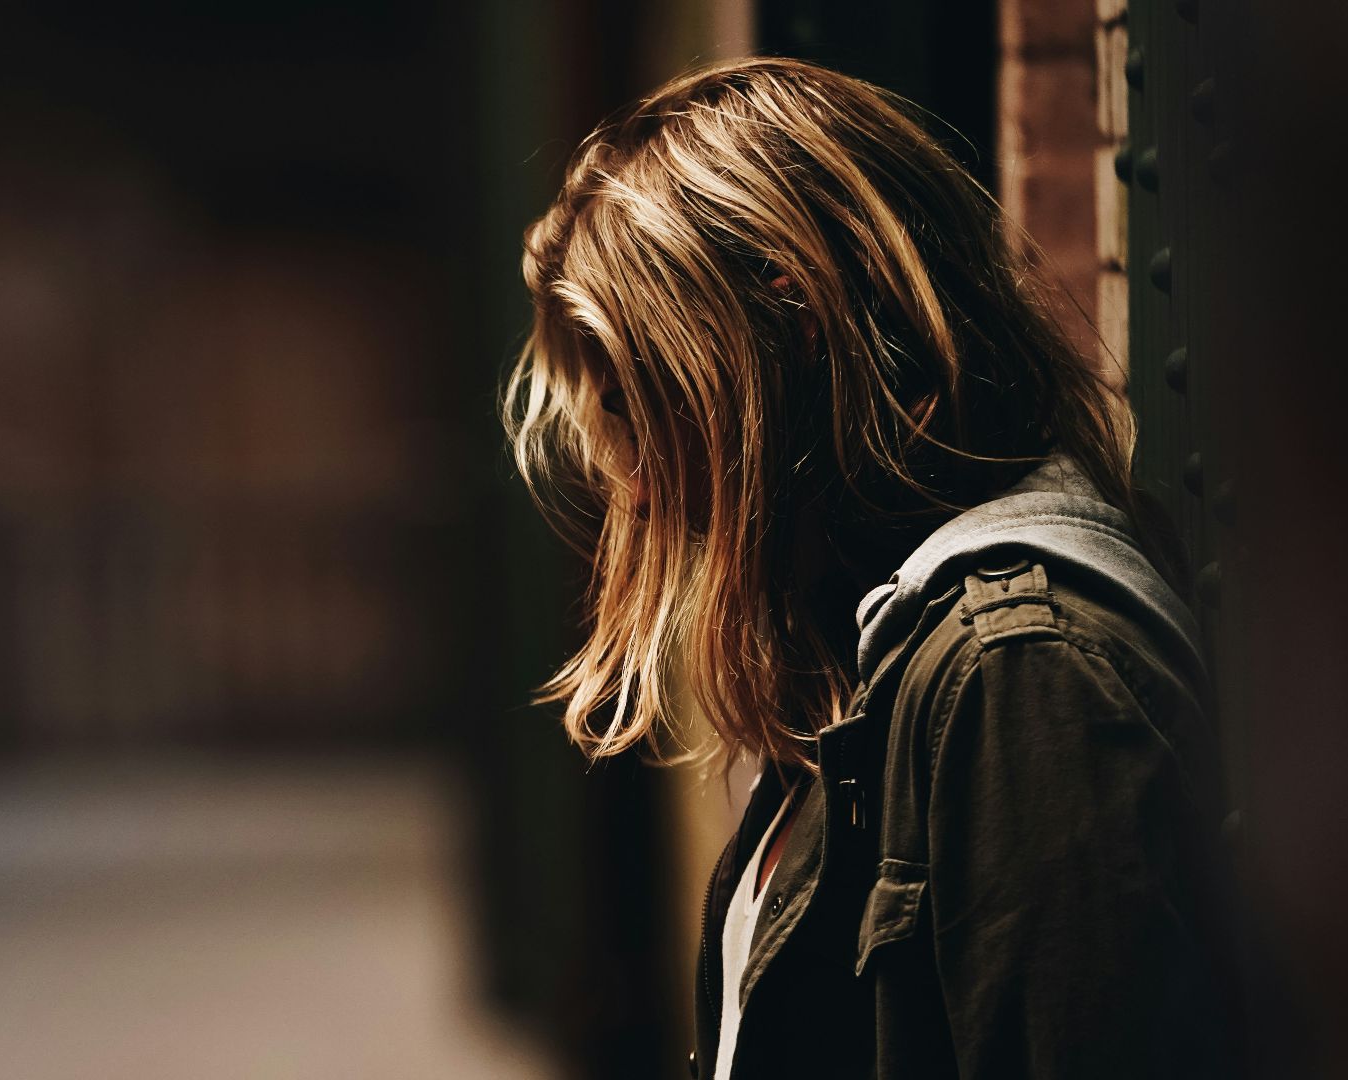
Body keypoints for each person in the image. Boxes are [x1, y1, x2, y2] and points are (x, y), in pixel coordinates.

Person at [503, 58, 1242, 1078]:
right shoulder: (877, 655)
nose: (630, 491)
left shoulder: (1021, 671)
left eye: (636, 399)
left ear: (789, 315)